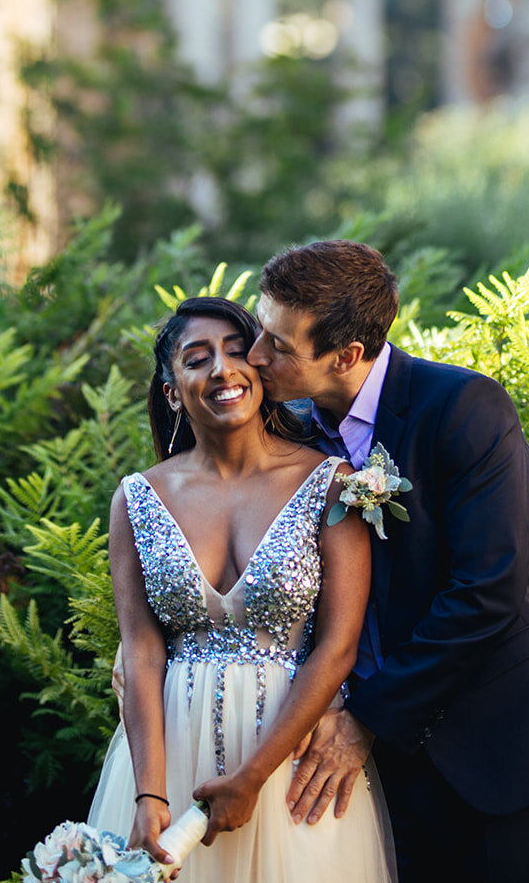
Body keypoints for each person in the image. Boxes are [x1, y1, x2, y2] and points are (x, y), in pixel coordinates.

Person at [247, 240, 529, 883]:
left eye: (278, 344)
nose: (255, 356)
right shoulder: (295, 435)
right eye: (259, 332)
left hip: (496, 752)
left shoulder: (465, 409)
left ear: (346, 356)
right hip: (371, 777)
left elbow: (486, 593)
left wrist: (367, 717)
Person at [88, 295, 396, 883]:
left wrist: (254, 776)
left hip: (292, 758)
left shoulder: (332, 484)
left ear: (261, 366)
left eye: (236, 351)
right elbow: (143, 654)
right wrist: (148, 794)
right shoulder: (137, 499)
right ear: (173, 390)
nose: (223, 370)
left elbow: (337, 647)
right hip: (169, 752)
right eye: (197, 359)